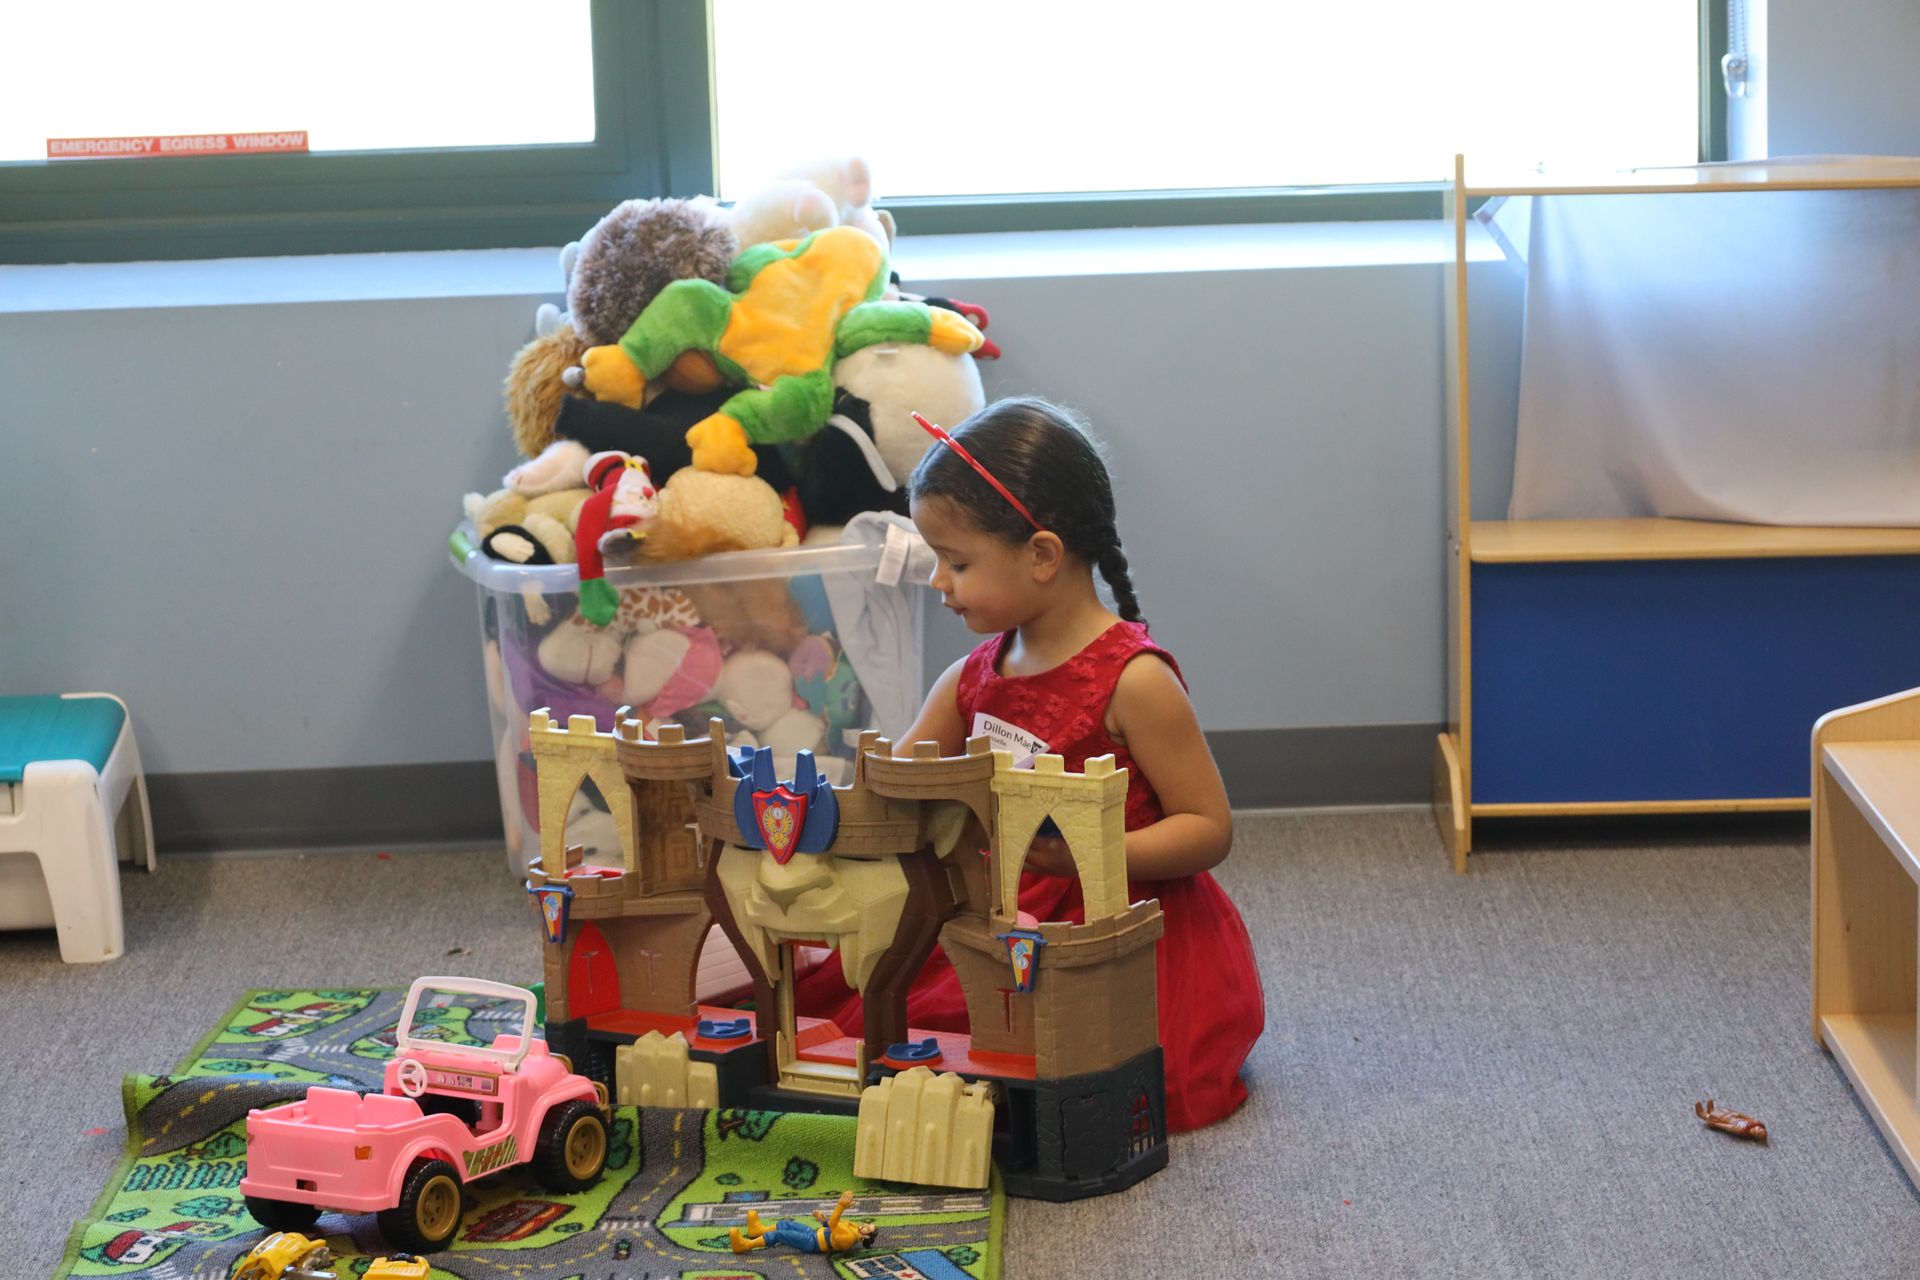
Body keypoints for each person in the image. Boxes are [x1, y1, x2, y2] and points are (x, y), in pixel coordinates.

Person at [792, 396, 1264, 1131]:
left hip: (1118, 925)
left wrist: (1083, 854)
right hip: (1001, 908)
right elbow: (894, 786)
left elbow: (1209, 829)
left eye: (956, 562)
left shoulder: (1135, 680)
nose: (937, 582)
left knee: (1070, 1069)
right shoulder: (974, 676)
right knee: (882, 1014)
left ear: (1041, 555)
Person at [729, 1188, 878, 1254]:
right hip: (815, 1233)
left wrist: (840, 1207)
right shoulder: (852, 1227)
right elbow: (831, 1225)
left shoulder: (849, 1239)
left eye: (867, 1229)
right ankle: (757, 1230)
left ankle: (745, 1245)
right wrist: (823, 1220)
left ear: (866, 1236)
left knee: (781, 1234)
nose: (864, 1225)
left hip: (812, 1243)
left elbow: (834, 1226)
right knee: (787, 1223)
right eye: (867, 1224)